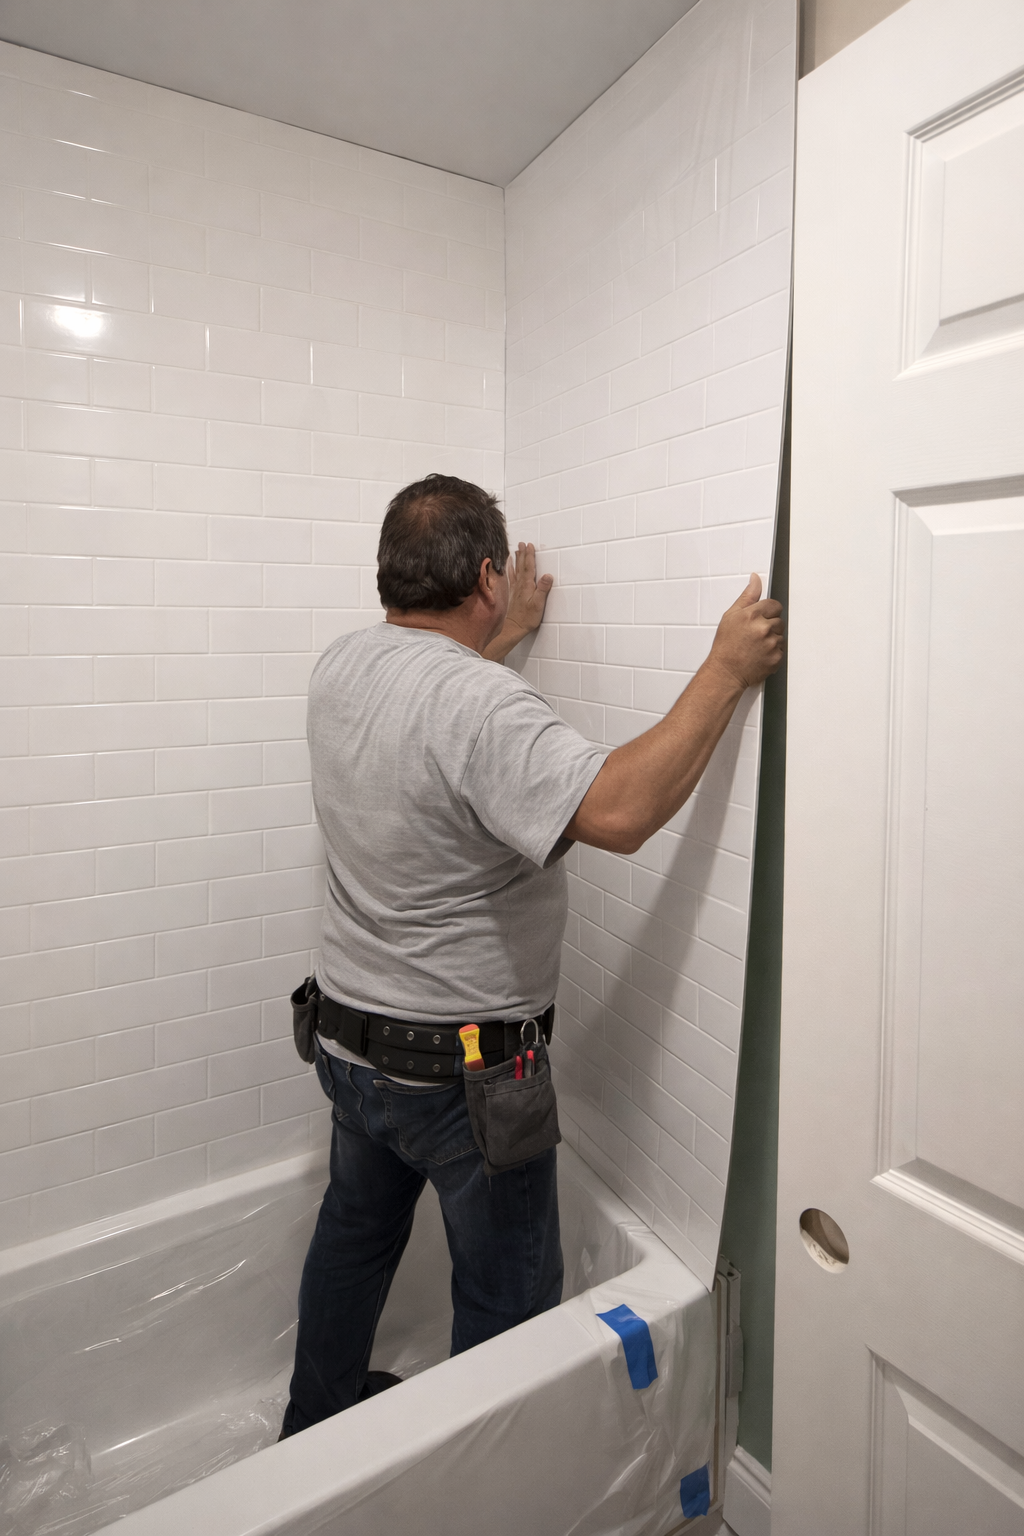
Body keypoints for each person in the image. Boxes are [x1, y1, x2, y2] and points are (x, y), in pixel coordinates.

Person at [279, 473, 783, 1437]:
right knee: (511, 1318)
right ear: (485, 575)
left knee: (351, 1242)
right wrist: (723, 669)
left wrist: (498, 640)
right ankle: (489, 1492)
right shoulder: (479, 708)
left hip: (349, 1055)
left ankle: (313, 1429)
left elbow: (433, 719)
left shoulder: (340, 667)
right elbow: (622, 812)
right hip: (461, 1085)